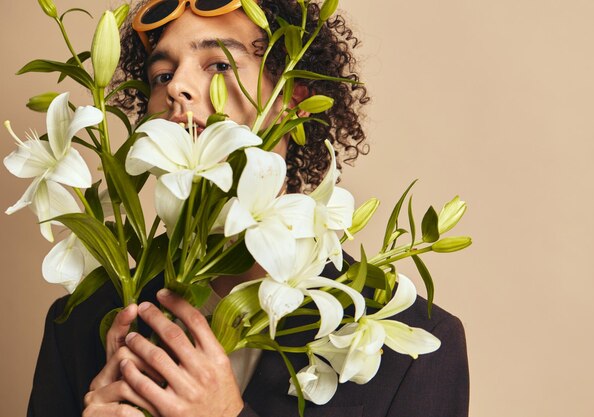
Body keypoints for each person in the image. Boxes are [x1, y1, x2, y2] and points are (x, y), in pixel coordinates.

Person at [27, 1, 470, 416]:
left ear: (293, 100)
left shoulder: (413, 349)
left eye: (219, 65)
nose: (178, 86)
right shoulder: (82, 325)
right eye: (162, 75)